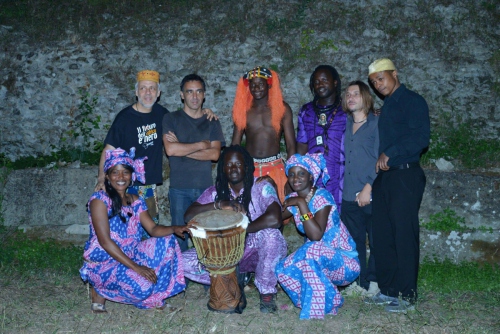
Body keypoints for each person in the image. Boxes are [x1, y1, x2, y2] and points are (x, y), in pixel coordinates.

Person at [95, 70, 216, 225]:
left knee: (150, 226)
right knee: (123, 225)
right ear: (136, 91)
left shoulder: (162, 115)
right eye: (143, 88)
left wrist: (204, 111)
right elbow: (108, 150)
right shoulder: (124, 118)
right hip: (123, 183)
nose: (148, 92)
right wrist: (101, 178)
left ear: (158, 93)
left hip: (148, 187)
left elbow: (186, 116)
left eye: (152, 88)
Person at [80, 147, 189, 312]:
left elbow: (152, 229)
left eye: (125, 172)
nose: (121, 177)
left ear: (132, 176)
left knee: (167, 240)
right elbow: (105, 241)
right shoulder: (99, 200)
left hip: (130, 254)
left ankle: (154, 299)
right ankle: (100, 289)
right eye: (115, 173)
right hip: (105, 261)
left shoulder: (136, 200)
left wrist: (174, 228)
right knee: (142, 287)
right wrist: (136, 267)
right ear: (107, 176)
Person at [183, 145, 287, 313]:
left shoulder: (260, 186)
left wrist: (241, 231)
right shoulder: (215, 192)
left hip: (254, 248)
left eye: (238, 164)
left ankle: (267, 292)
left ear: (246, 166)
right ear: (222, 168)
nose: (233, 168)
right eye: (229, 164)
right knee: (182, 262)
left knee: (271, 235)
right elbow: (188, 215)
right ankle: (232, 278)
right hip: (223, 252)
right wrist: (219, 204)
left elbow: (275, 218)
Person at [365, 58, 430, 313]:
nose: (378, 85)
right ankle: (390, 290)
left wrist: (390, 153)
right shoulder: (389, 105)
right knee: (383, 235)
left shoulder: (413, 101)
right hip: (387, 178)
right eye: (373, 82)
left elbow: (420, 137)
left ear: (395, 74)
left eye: (381, 79)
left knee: (404, 234)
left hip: (405, 174)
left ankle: (408, 295)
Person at [276, 153, 360, 319]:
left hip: (345, 263)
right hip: (318, 259)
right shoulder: (293, 198)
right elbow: (275, 219)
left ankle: (316, 310)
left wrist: (301, 204)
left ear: (311, 176)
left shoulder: (322, 197)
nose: (295, 178)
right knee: (282, 268)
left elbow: (316, 235)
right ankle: (323, 300)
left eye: (301, 174)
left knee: (312, 249)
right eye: (291, 174)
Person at [163, 74, 225, 251]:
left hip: (204, 188)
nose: (194, 96)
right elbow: (171, 150)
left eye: (198, 91)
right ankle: (179, 276)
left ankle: (208, 274)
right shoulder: (171, 119)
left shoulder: (211, 121)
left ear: (204, 95)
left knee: (206, 236)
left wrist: (181, 148)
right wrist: (200, 145)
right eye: (189, 92)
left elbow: (214, 154)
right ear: (182, 95)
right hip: (178, 189)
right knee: (180, 236)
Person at [231, 66, 296, 202]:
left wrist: (290, 176)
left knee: (277, 211)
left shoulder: (283, 109)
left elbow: (291, 146)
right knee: (251, 210)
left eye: (260, 84)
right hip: (250, 168)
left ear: (269, 84)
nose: (256, 88)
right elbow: (235, 145)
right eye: (253, 85)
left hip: (275, 168)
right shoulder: (243, 110)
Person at [340, 81, 379, 297]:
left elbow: (380, 158)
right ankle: (358, 282)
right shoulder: (344, 124)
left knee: (375, 240)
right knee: (353, 241)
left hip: (369, 193)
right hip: (347, 193)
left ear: (365, 97)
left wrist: (368, 187)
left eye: (356, 93)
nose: (351, 97)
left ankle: (374, 282)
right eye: (348, 94)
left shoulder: (376, 124)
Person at [297, 65, 346, 213]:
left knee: (342, 224)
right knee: (315, 223)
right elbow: (301, 145)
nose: (320, 85)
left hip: (343, 177)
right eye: (316, 82)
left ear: (335, 82)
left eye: (324, 80)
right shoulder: (306, 111)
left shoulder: (347, 109)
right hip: (314, 178)